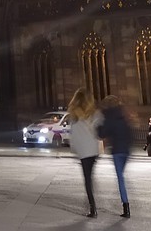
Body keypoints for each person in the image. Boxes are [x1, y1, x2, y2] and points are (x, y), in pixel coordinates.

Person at [65, 89, 103, 219]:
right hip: (93, 150)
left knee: (87, 179)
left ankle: (93, 208)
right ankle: (91, 201)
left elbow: (74, 135)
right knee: (90, 177)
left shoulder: (74, 115)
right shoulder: (94, 113)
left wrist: (74, 148)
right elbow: (99, 130)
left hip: (83, 151)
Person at [98, 95, 134, 220]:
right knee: (122, 176)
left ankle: (126, 206)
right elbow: (130, 133)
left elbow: (102, 133)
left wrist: (98, 127)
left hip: (117, 151)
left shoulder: (109, 116)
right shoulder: (123, 115)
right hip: (126, 150)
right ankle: (124, 200)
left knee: (120, 178)